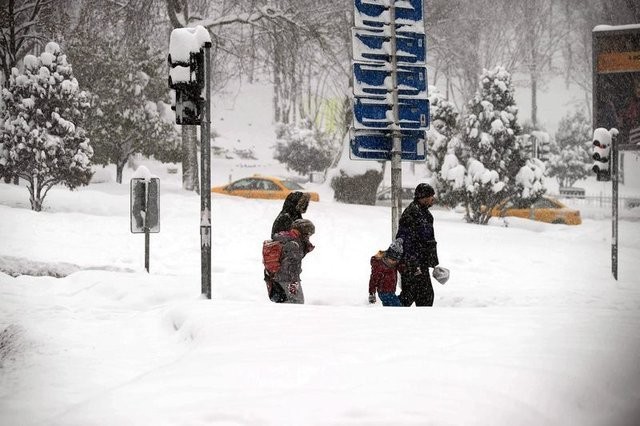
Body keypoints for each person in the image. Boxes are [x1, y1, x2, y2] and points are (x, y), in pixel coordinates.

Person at [395, 183, 440, 307]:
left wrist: (433, 262)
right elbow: (405, 240)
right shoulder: (411, 214)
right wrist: (413, 264)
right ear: (423, 197)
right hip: (413, 264)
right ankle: (391, 313)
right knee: (412, 295)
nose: (433, 199)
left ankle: (419, 322)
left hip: (421, 263)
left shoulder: (425, 214)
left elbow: (429, 240)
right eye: (431, 196)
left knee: (424, 296)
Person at [265, 191, 311, 302]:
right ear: (295, 203)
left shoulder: (293, 216)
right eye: (303, 203)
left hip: (284, 272)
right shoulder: (286, 218)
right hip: (285, 272)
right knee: (293, 303)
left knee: (286, 303)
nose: (305, 206)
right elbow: (289, 248)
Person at [270, 218, 315, 304]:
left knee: (283, 303)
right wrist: (294, 283)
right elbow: (292, 265)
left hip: (275, 277)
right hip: (288, 279)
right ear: (303, 232)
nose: (308, 237)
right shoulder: (294, 244)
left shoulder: (285, 238)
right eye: (308, 234)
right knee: (296, 304)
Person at [368, 238, 403, 306]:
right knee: (398, 307)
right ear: (388, 256)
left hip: (391, 291)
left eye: (396, 260)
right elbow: (373, 280)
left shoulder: (394, 265)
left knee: (389, 307)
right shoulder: (380, 267)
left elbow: (402, 268)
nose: (394, 261)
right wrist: (372, 293)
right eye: (392, 259)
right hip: (383, 292)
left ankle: (387, 315)